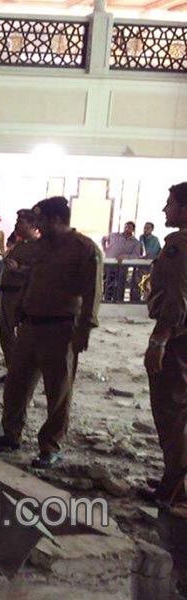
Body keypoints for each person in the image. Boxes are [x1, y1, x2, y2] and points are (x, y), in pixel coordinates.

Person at [0, 197, 102, 469]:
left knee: (57, 391)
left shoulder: (84, 249)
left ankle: (50, 446)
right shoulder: (39, 248)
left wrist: (85, 328)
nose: (38, 226)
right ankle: (10, 434)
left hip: (60, 329)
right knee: (16, 385)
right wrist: (19, 309)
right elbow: (30, 279)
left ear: (57, 219)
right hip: (30, 326)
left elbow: (93, 292)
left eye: (42, 220)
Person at [144, 182, 187, 509]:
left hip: (177, 341)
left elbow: (176, 299)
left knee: (171, 410)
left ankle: (175, 486)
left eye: (170, 203)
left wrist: (159, 340)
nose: (164, 210)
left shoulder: (179, 245)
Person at [0, 209, 42, 385]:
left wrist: (18, 270)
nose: (16, 224)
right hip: (7, 293)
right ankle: (12, 370)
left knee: (17, 337)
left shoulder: (38, 247)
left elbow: (39, 271)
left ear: (33, 226)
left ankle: (20, 375)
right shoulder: (20, 244)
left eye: (21, 222)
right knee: (5, 335)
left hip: (19, 294)